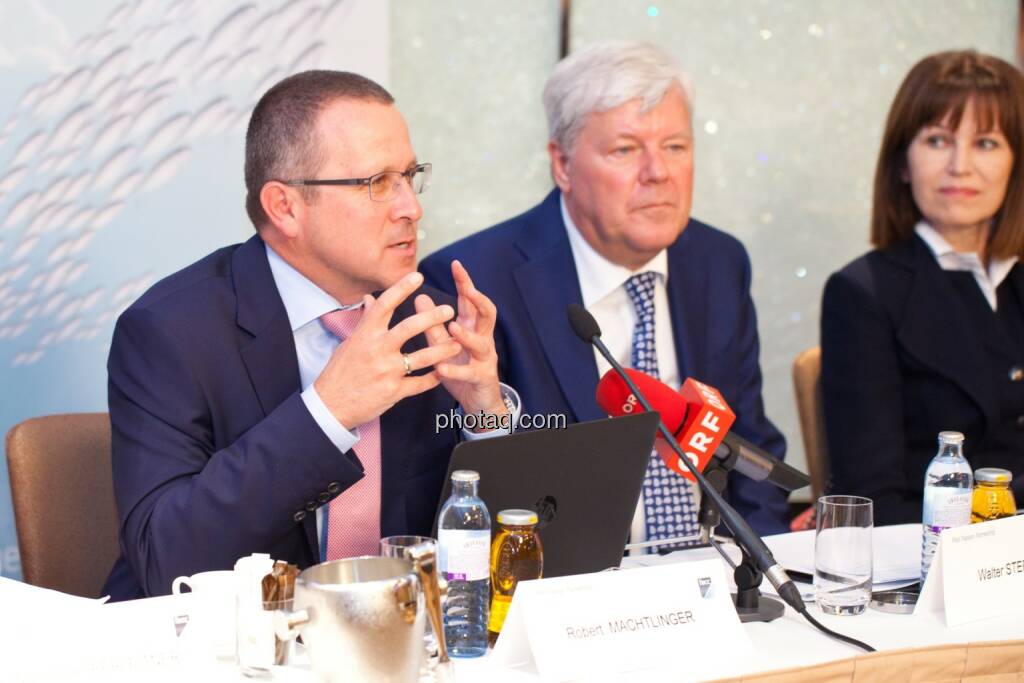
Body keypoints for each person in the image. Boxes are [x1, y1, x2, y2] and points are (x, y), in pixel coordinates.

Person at [103, 71, 517, 600]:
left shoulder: (424, 318)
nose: (411, 207)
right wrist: (328, 413)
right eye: (377, 183)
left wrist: (485, 417)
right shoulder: (169, 332)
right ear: (285, 207)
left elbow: (496, 558)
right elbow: (166, 559)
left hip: (394, 644)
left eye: (410, 177)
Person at [421, 42, 789, 540]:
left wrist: (761, 563)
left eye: (676, 147)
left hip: (717, 575)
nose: (658, 173)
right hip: (568, 587)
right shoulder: (477, 283)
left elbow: (752, 450)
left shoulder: (718, 263)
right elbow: (467, 482)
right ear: (563, 164)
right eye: (626, 149)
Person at [821, 50, 1024, 525]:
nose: (960, 166)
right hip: (936, 565)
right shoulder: (861, 293)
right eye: (937, 140)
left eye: (986, 144)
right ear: (903, 164)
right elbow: (873, 497)